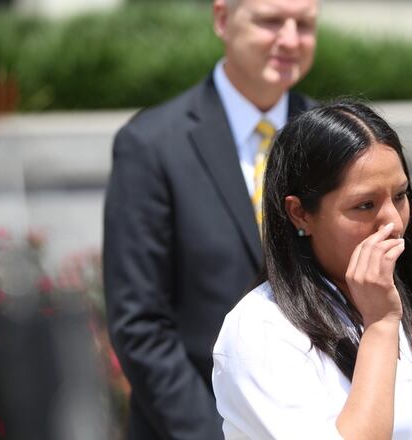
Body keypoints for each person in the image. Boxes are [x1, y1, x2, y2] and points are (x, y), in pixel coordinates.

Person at [102, 0, 318, 437]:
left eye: (305, 23)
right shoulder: (152, 145)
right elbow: (140, 323)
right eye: (271, 21)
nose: (291, 39)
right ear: (222, 19)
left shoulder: (335, 137)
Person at [211, 101, 412, 439]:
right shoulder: (261, 329)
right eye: (365, 205)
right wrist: (380, 327)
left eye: (400, 196)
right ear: (300, 214)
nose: (394, 223)